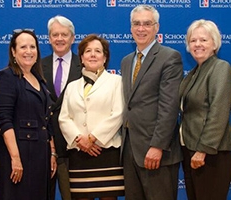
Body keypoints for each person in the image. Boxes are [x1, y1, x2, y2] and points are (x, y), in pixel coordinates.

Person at [120, 4, 183, 200]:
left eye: (147, 24)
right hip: (130, 149)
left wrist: (157, 146)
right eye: (136, 24)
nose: (141, 28)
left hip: (156, 152)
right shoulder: (126, 61)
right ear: (130, 28)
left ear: (157, 27)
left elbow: (169, 106)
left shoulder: (169, 57)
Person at [59, 34, 125, 200]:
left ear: (105, 58)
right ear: (81, 57)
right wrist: (80, 141)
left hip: (107, 151)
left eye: (98, 51)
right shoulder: (72, 86)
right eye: (88, 51)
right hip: (79, 153)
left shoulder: (117, 82)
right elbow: (64, 118)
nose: (93, 55)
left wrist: (93, 138)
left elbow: (118, 114)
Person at [0, 29, 57, 200]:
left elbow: (46, 120)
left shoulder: (39, 79)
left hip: (40, 155)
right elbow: (4, 120)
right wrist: (15, 159)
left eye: (32, 47)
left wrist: (52, 153)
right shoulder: (6, 77)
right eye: (23, 47)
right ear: (13, 52)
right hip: (18, 155)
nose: (28, 51)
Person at [179, 19, 231, 200]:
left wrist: (203, 150)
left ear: (215, 43)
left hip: (210, 154)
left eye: (203, 40)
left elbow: (219, 111)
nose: (197, 44)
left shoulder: (220, 68)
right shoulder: (194, 73)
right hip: (191, 150)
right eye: (193, 41)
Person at [41, 15, 82, 200]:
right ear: (49, 38)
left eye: (64, 34)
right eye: (54, 34)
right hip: (43, 147)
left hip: (75, 148)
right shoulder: (36, 66)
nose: (59, 39)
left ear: (73, 38)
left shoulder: (84, 65)